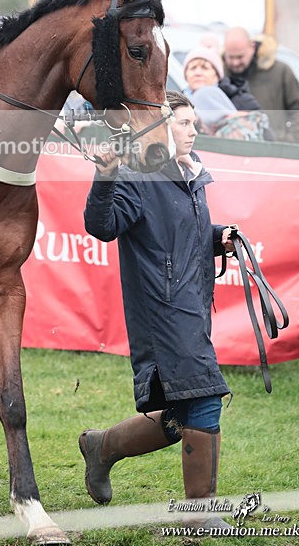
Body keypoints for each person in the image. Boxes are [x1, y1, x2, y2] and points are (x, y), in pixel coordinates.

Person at [79, 91, 235, 530]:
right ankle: (199, 516)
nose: (193, 130)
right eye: (184, 123)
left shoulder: (192, 173)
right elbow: (101, 226)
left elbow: (184, 232)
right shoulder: (134, 177)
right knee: (204, 400)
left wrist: (218, 236)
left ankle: (101, 446)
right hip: (162, 312)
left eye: (192, 123)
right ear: (160, 129)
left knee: (176, 417)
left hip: (191, 308)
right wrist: (106, 173)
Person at [223, 27, 299, 143]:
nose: (235, 63)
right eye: (231, 57)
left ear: (252, 47)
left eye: (240, 57)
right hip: (229, 149)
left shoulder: (279, 71)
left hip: (272, 150)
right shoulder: (219, 73)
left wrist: (289, 141)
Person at [183, 45, 271, 139]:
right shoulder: (176, 103)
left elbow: (265, 136)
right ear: (186, 75)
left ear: (217, 75)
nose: (198, 73)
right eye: (193, 68)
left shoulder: (241, 100)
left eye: (205, 68)